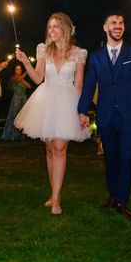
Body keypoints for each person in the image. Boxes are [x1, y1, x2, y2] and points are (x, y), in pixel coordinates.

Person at [78, 10, 131, 220]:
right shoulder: (96, 57)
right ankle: (113, 195)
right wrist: (81, 110)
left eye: (121, 22)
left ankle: (123, 201)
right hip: (106, 115)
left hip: (128, 116)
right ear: (105, 27)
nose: (118, 26)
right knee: (110, 158)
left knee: (125, 158)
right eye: (114, 22)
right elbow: (89, 86)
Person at [15, 12, 91, 215]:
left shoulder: (79, 53)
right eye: (50, 27)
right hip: (46, 100)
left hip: (67, 101)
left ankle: (56, 199)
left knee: (59, 147)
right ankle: (52, 193)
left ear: (66, 28)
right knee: (49, 149)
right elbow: (38, 78)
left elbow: (79, 84)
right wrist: (25, 61)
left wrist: (80, 111)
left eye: (56, 26)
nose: (52, 30)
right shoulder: (43, 50)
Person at [2, 64, 31, 141]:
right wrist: (25, 74)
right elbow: (17, 81)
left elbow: (29, 86)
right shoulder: (13, 78)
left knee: (23, 116)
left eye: (20, 69)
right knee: (14, 115)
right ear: (15, 71)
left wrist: (23, 78)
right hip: (16, 99)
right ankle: (11, 134)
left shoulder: (22, 79)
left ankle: (21, 135)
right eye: (17, 69)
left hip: (24, 98)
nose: (19, 71)